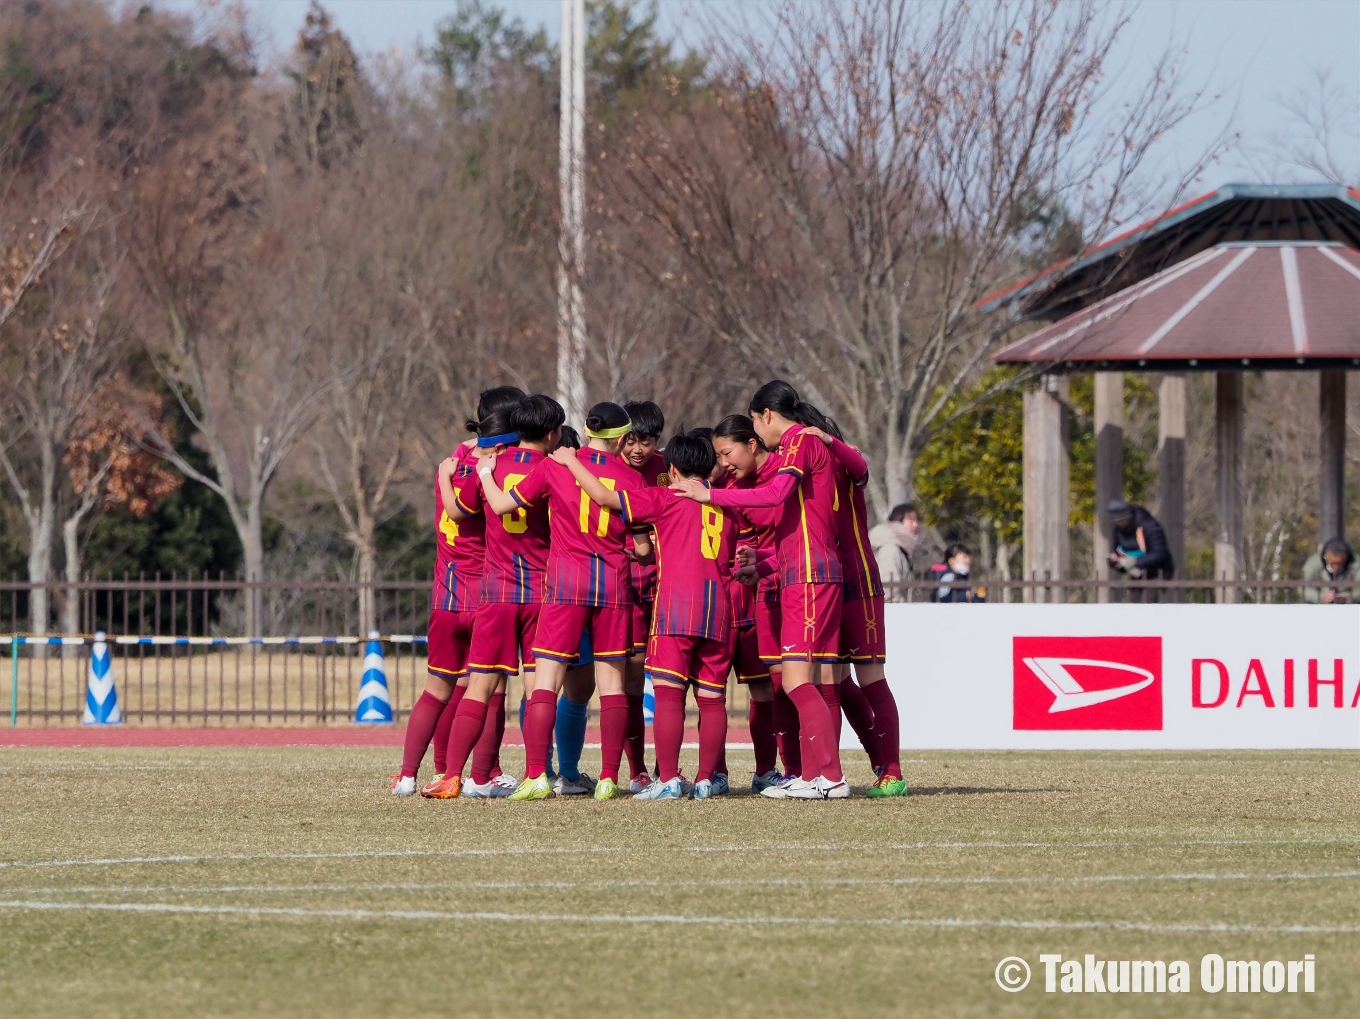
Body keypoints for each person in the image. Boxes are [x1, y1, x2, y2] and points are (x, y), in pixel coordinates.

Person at [673, 381, 848, 800]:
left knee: (798, 681)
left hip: (810, 577)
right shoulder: (797, 446)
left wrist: (709, 495)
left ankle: (831, 778)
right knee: (801, 681)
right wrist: (764, 564)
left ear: (764, 418)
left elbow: (775, 495)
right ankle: (810, 776)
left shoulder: (799, 442)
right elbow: (795, 526)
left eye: (752, 421)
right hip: (799, 573)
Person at [561, 429, 743, 799]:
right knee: (712, 699)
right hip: (720, 608)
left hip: (677, 606)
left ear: (672, 469)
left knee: (669, 695)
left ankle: (670, 779)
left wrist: (568, 461)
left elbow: (604, 496)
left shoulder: (666, 496)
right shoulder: (725, 504)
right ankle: (708, 779)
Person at [485, 401, 650, 802]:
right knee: (611, 683)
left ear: (585, 430)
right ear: (624, 438)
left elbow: (503, 505)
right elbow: (644, 549)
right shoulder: (632, 477)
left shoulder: (554, 466)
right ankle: (610, 778)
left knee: (546, 680)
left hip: (565, 584)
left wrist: (487, 474)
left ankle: (537, 776)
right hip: (612, 584)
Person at [425, 394, 560, 799]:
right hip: (539, 589)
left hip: (496, 590)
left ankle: (451, 776)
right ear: (552, 433)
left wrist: (448, 475)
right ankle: (537, 775)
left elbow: (458, 510)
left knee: (480, 685)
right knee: (538, 685)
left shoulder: (492, 465)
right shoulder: (553, 470)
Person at [392, 385, 522, 797]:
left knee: (438, 689)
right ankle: (485, 774)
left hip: (446, 598)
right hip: (486, 596)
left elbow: (468, 453)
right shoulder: (497, 471)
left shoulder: (453, 464)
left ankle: (411, 775)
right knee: (490, 690)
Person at [800, 417, 907, 798]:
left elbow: (862, 466)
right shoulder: (800, 472)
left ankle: (890, 770)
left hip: (857, 583)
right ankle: (830, 776)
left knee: (870, 677)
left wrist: (827, 438)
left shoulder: (844, 462)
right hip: (822, 582)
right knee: (829, 679)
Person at [711, 415, 793, 791]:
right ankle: (715, 772)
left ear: (753, 443)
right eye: (716, 456)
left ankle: (775, 770)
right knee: (711, 692)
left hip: (758, 594)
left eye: (726, 453)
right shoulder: (710, 483)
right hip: (713, 604)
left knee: (772, 689)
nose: (723, 463)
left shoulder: (785, 472)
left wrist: (755, 559)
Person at [619, 399, 668, 791]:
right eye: (632, 440)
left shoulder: (668, 468)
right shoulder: (605, 469)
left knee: (673, 678)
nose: (639, 449)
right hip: (626, 586)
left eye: (647, 441)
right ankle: (636, 769)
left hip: (669, 584)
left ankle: (672, 765)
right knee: (633, 675)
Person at [1107, 499, 1174, 581]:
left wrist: (1136, 561)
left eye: (1121, 521)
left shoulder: (1150, 526)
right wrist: (1114, 562)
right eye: (1116, 521)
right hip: (1136, 574)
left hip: (1158, 573)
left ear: (1129, 517)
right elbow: (1119, 553)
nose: (1119, 524)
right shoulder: (1117, 531)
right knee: (1133, 592)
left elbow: (1160, 553)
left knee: (1150, 593)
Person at [869, 503, 919, 601]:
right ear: (898, 522)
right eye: (911, 521)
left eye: (917, 521)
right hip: (892, 612)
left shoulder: (900, 549)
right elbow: (888, 590)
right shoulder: (891, 549)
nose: (916, 525)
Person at [1303, 538, 1360, 604]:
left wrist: (1346, 597)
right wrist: (1322, 597)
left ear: (1346, 558)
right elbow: (1304, 588)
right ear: (1325, 557)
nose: (1336, 567)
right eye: (1332, 563)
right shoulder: (1313, 564)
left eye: (1339, 563)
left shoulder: (1356, 564)